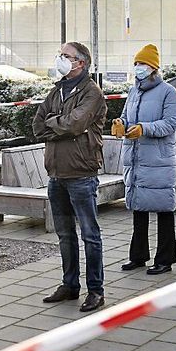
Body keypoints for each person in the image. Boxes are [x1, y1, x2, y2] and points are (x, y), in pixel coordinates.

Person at [32, 42, 108, 312]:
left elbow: (75, 123)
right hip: (56, 174)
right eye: (60, 55)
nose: (61, 59)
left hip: (81, 173)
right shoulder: (56, 90)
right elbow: (37, 125)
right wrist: (59, 125)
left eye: (67, 56)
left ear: (81, 63)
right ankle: (70, 284)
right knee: (65, 234)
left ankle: (96, 290)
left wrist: (58, 123)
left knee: (90, 234)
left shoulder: (92, 92)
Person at [114, 44, 176, 275]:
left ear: (153, 67)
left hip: (158, 159)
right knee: (138, 208)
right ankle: (138, 255)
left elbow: (172, 123)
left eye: (141, 64)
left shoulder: (168, 91)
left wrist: (145, 128)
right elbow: (125, 116)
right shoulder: (134, 91)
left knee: (163, 209)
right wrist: (121, 124)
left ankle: (165, 259)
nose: (137, 68)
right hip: (135, 157)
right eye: (135, 64)